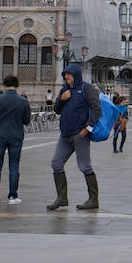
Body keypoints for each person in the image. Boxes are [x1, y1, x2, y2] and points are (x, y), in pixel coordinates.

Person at [48, 63, 101, 211]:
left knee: (85, 166)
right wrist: (61, 99)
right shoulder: (65, 90)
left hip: (80, 135)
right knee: (56, 164)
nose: (66, 77)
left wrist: (87, 128)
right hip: (64, 135)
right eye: (64, 74)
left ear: (76, 75)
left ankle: (93, 200)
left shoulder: (87, 88)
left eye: (68, 74)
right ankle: (62, 198)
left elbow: (97, 109)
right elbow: (57, 110)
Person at [0, 75, 31, 205]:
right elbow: (26, 121)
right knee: (14, 166)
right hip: (16, 136)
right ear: (16, 85)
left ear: (4, 85)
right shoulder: (23, 100)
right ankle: (12, 196)